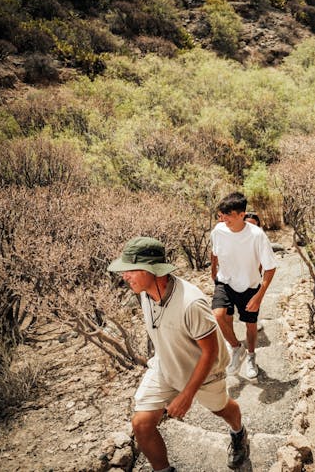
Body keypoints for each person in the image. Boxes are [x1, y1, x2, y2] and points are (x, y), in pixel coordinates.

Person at [108, 237, 250, 471]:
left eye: (131, 270)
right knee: (141, 424)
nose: (125, 276)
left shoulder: (191, 303)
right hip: (167, 365)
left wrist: (186, 395)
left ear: (153, 270)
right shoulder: (144, 291)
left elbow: (211, 351)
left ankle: (239, 433)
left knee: (223, 409)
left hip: (204, 372)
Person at [211, 192, 277, 379]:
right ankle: (236, 348)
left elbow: (271, 268)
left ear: (242, 214)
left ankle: (251, 356)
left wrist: (259, 296)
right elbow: (214, 252)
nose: (225, 219)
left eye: (229, 215)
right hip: (225, 282)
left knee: (250, 326)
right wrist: (213, 270)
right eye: (222, 215)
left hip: (250, 286)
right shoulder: (218, 230)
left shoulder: (257, 236)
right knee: (218, 315)